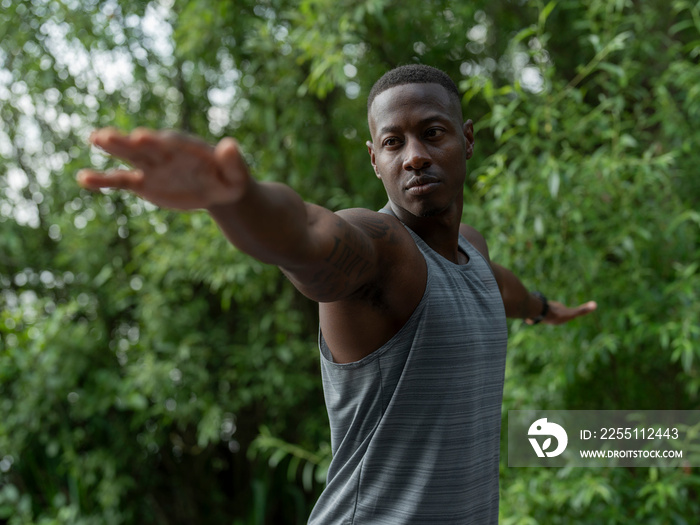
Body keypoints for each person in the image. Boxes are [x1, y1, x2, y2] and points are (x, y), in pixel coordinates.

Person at [78, 64, 596, 524]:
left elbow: (497, 286)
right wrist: (236, 200)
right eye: (393, 143)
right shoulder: (383, 249)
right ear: (375, 160)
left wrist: (541, 308)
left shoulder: (470, 252)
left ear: (467, 139)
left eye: (432, 134)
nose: (414, 157)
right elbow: (306, 237)